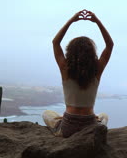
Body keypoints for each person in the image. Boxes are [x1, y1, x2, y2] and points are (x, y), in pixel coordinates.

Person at [42, 9, 114, 138]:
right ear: (92, 53)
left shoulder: (65, 68)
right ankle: (95, 125)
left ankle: (62, 124)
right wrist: (97, 21)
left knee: (47, 113)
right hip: (90, 125)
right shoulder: (97, 69)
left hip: (68, 126)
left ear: (70, 51)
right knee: (104, 116)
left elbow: (55, 42)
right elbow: (110, 45)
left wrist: (71, 21)